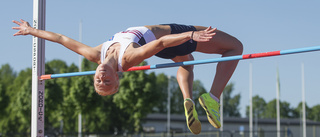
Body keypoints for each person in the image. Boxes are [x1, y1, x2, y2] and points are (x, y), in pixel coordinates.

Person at [12, 19, 243, 134]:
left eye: (98, 81)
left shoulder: (95, 54)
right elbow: (161, 42)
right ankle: (213, 97)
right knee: (234, 46)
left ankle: (187, 99)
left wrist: (32, 31)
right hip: (171, 37)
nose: (102, 77)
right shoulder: (128, 58)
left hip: (162, 46)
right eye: (107, 81)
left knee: (187, 64)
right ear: (118, 77)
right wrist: (191, 34)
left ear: (94, 75)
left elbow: (61, 39)